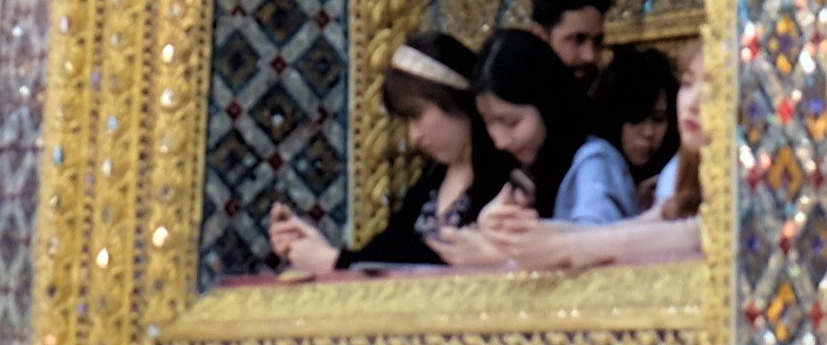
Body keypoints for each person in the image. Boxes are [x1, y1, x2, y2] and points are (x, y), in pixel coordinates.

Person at [268, 30, 524, 274]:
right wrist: (318, 248)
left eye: (417, 116)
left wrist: (332, 261)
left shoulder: (505, 177)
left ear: (454, 100)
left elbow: (425, 263)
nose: (414, 135)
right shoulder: (433, 178)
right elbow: (386, 252)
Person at [476, 23, 641, 223]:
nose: (500, 141)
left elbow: (593, 245)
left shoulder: (595, 163)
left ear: (547, 105)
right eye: (489, 122)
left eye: (512, 122)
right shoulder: (523, 168)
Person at [599, 42, 695, 221]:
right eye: (636, 118)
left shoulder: (674, 174)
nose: (649, 132)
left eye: (659, 119)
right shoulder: (597, 163)